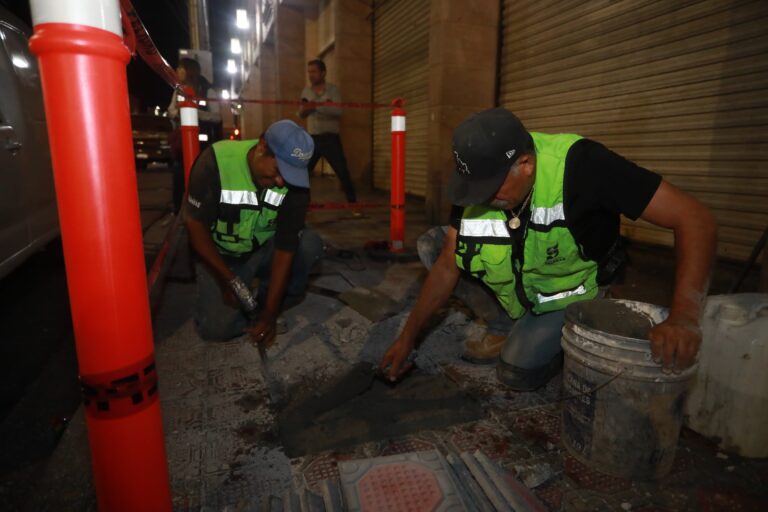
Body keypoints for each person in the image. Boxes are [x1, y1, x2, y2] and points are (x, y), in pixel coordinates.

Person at [380, 107, 717, 390]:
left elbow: (695, 218)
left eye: (490, 189)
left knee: (516, 373)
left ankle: (576, 325)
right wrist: (409, 336)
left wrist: (685, 317)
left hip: (565, 291)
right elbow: (446, 265)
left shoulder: (584, 166)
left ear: (525, 163)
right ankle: (505, 323)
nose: (480, 198)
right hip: (521, 280)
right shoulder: (480, 181)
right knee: (436, 245)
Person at [185, 119, 324, 345]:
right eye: (279, 170)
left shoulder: (296, 186)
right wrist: (228, 281)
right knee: (216, 329)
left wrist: (270, 315)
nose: (281, 181)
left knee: (309, 245)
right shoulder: (215, 163)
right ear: (261, 147)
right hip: (221, 254)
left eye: (290, 175)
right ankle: (244, 295)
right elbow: (194, 226)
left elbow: (285, 247)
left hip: (262, 249)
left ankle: (265, 299)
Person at [298, 59, 357, 204]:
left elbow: (337, 110)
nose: (311, 75)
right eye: (309, 72)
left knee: (342, 172)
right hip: (312, 139)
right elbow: (301, 112)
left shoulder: (333, 90)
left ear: (323, 73)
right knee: (303, 173)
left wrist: (316, 106)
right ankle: (305, 205)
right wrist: (319, 105)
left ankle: (354, 204)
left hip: (330, 139)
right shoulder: (306, 91)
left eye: (314, 71)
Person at [168, 57, 222, 213]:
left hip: (204, 144)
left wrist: (194, 113)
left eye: (180, 68)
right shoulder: (179, 90)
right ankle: (179, 211)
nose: (177, 71)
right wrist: (179, 111)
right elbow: (170, 111)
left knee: (202, 177)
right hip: (182, 145)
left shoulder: (208, 90)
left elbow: (217, 116)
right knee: (179, 176)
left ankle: (205, 209)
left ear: (189, 70)